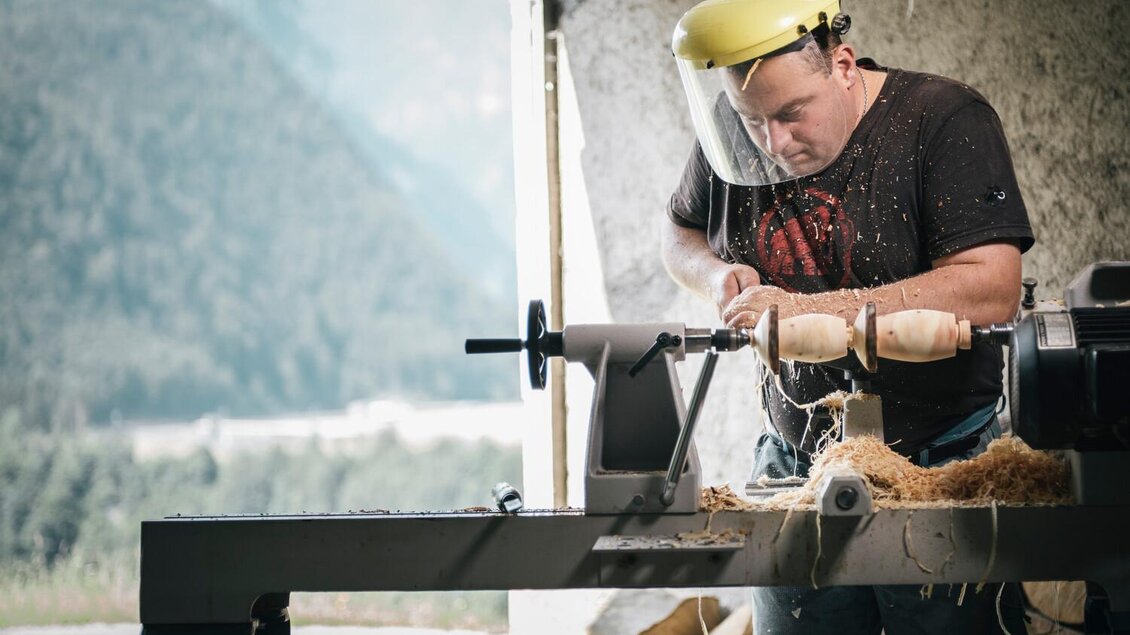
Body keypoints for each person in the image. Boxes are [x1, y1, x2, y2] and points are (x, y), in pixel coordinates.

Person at [663, 1, 1034, 633]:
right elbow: (680, 233)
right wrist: (717, 276)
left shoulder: (943, 120)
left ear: (840, 65)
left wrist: (811, 310)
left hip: (941, 463)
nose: (773, 144)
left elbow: (992, 288)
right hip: (793, 463)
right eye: (754, 122)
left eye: (790, 114)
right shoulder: (734, 127)